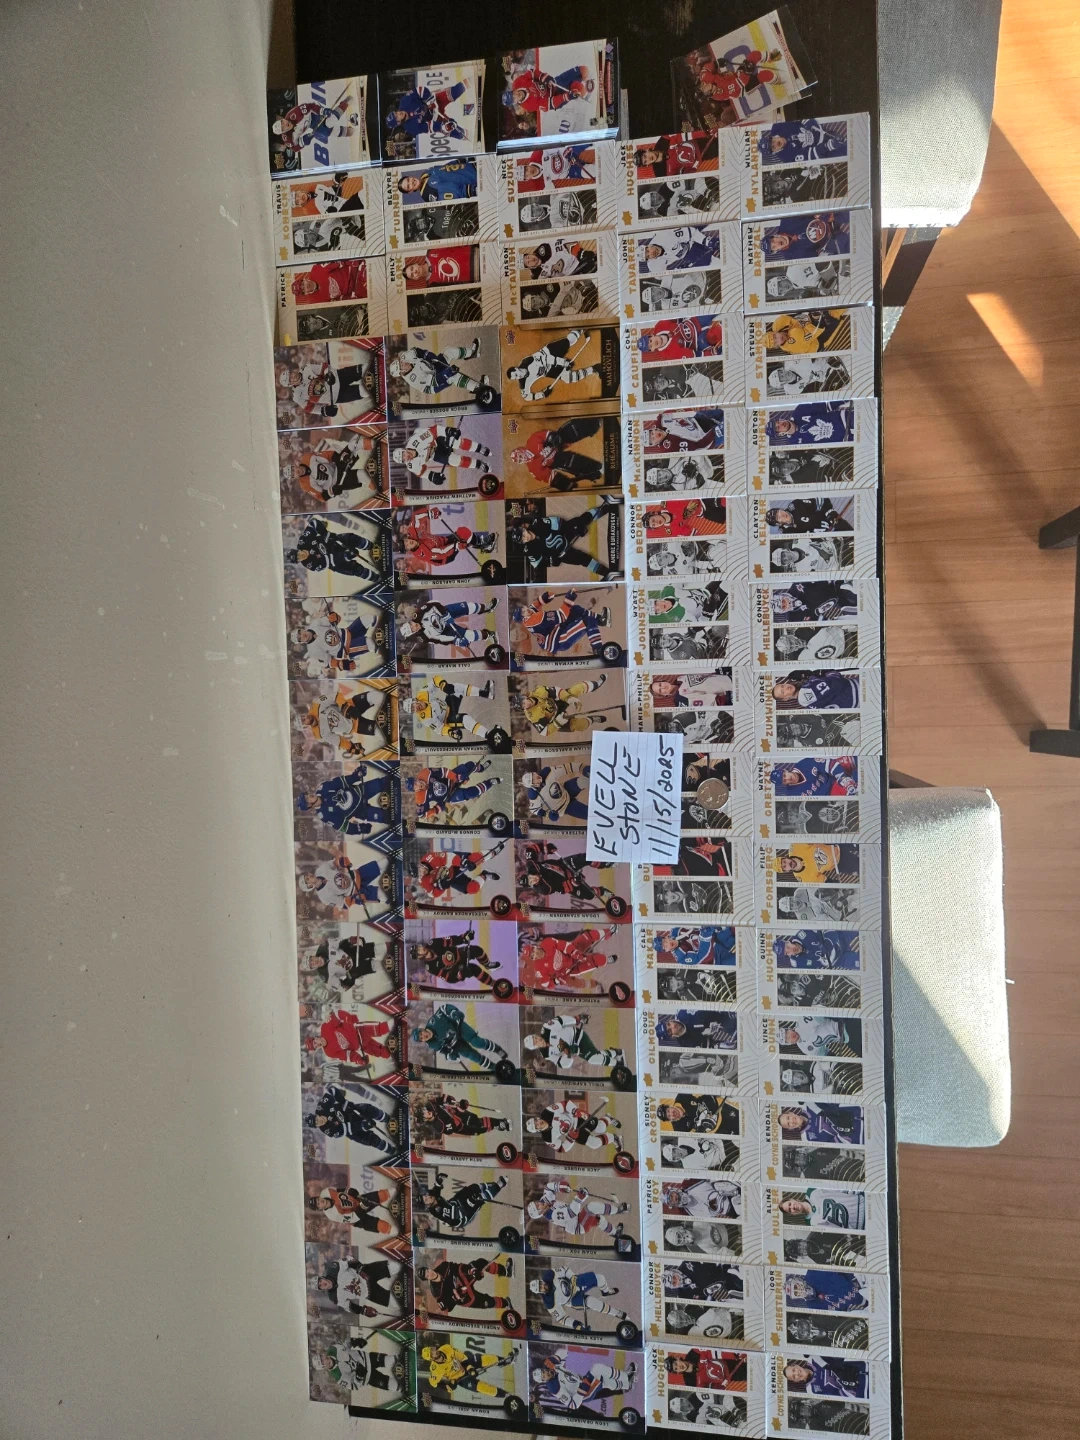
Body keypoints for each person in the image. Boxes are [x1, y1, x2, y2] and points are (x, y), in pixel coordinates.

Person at [511, 497, 618, 580]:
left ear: (524, 529)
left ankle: (605, 508)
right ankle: (607, 573)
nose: (526, 538)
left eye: (523, 535)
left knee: (581, 520)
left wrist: (576, 528)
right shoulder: (530, 550)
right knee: (583, 559)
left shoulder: (538, 523)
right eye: (523, 540)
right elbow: (539, 565)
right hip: (562, 553)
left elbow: (558, 522)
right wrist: (552, 560)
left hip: (563, 532)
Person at [510, 417, 607, 491]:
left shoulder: (532, 441)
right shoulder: (533, 468)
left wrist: (553, 441)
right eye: (520, 461)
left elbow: (548, 434)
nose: (522, 459)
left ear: (521, 450)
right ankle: (597, 469)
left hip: (556, 443)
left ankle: (594, 423)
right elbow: (549, 477)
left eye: (520, 456)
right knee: (567, 462)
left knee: (564, 433)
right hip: (557, 459)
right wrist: (562, 483)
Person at [506, 329, 601, 403]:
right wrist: (542, 394)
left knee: (568, 342)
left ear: (516, 368)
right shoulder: (523, 383)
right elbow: (526, 397)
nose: (519, 377)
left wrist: (564, 363)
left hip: (549, 352)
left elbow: (547, 359)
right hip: (549, 370)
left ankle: (581, 328)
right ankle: (594, 369)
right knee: (569, 378)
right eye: (516, 378)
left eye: (516, 374)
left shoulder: (527, 361)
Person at [297, 765, 394, 836]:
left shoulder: (323, 788)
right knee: (388, 817)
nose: (309, 795)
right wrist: (359, 829)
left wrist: (356, 775)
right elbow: (343, 826)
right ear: (309, 806)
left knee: (387, 782)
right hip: (361, 811)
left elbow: (341, 782)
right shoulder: (324, 815)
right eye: (307, 799)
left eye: (306, 795)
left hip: (361, 791)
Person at [411, 1001, 509, 1071]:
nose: (423, 1037)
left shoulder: (434, 1021)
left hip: (458, 1028)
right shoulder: (431, 1044)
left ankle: (497, 1049)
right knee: (473, 1056)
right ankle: (493, 1067)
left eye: (421, 1034)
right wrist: (450, 1055)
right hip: (455, 1044)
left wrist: (454, 1013)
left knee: (477, 1043)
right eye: (421, 1039)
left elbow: (444, 1008)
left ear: (422, 1030)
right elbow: (443, 1050)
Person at [522, 925, 619, 992]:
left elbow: (563, 945)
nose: (535, 954)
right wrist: (557, 980)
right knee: (594, 961)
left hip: (572, 950)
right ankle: (606, 960)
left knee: (588, 936)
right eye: (532, 956)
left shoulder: (547, 943)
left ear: (535, 947)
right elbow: (546, 984)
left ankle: (610, 932)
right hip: (572, 968)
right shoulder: (539, 968)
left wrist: (575, 953)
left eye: (533, 950)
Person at [517, 588, 610, 659]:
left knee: (575, 610)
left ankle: (601, 620)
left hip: (556, 631)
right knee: (588, 621)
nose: (525, 609)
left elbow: (534, 606)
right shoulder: (537, 619)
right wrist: (569, 598)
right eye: (523, 611)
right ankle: (598, 651)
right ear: (524, 618)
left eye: (523, 609)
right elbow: (561, 615)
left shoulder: (527, 618)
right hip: (560, 640)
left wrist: (544, 598)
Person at [527, 1177, 629, 1239]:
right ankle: (619, 1210)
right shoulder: (553, 1215)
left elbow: (548, 1188)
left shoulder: (544, 1201)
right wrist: (579, 1198)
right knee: (591, 1207)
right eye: (537, 1206)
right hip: (578, 1225)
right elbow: (572, 1212)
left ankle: (616, 1233)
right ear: (540, 1212)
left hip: (577, 1219)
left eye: (536, 1203)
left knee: (599, 1219)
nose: (539, 1203)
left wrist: (561, 1186)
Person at [388, 337, 488, 400]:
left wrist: (429, 356)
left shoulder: (404, 357)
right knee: (453, 377)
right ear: (402, 372)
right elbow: (435, 381)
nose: (403, 362)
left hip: (431, 366)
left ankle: (473, 353)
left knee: (448, 352)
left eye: (400, 362)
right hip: (433, 385)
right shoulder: (414, 379)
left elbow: (416, 351)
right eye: (401, 366)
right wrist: (447, 373)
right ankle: (479, 388)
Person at [393, 422, 493, 484]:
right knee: (454, 461)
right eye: (403, 459)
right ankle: (479, 464)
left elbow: (435, 430)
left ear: (404, 449)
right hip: (433, 454)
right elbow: (422, 473)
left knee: (455, 442)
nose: (406, 457)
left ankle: (479, 448)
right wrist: (432, 477)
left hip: (436, 440)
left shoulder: (417, 439)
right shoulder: (411, 465)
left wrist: (448, 431)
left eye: (404, 454)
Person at [529, 1265, 628, 1328]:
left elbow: (565, 1269)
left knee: (600, 1278)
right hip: (572, 1299)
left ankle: (606, 1292)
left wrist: (572, 1277)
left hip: (575, 1282)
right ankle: (616, 1313)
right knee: (593, 1302)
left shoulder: (549, 1275)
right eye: (540, 1288)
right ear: (540, 1292)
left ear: (541, 1281)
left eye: (541, 1284)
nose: (543, 1287)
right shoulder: (549, 1302)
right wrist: (575, 1324)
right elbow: (562, 1318)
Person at [304, 1083, 398, 1149]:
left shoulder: (322, 1107)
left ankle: (390, 1121)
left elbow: (332, 1090)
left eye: (316, 1119)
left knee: (369, 1109)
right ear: (317, 1126)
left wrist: (343, 1102)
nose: (319, 1122)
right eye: (317, 1124)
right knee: (371, 1140)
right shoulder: (326, 1130)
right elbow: (344, 1129)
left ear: (316, 1115)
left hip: (350, 1111)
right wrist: (362, 1125)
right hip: (351, 1129)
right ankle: (392, 1150)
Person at [523, 1012, 625, 1072]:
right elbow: (560, 1063)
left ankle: (618, 1064)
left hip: (578, 1037)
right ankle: (616, 1052)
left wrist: (577, 1019)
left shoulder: (546, 1028)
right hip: (574, 1048)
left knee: (592, 1058)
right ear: (535, 1047)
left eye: (535, 1037)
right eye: (535, 1042)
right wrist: (568, 1055)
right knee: (595, 1054)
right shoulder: (546, 1054)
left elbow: (561, 1020)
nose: (537, 1039)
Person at [417, 1254, 515, 1314]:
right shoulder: (436, 1292)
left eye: (428, 1271)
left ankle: (506, 1271)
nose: (430, 1273)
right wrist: (454, 1298)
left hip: (464, 1279)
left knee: (480, 1263)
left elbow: (458, 1267)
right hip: (466, 1297)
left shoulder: (443, 1266)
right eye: (427, 1275)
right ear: (426, 1279)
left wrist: (471, 1271)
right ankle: (506, 1303)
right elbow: (446, 1307)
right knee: (486, 1301)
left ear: (429, 1268)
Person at [413, 760, 502, 825]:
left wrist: (457, 777)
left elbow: (444, 772)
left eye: (416, 783)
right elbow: (422, 815)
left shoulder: (424, 773)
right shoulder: (420, 798)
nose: (418, 785)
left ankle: (481, 768)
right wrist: (436, 809)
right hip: (450, 795)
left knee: (467, 767)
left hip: (450, 779)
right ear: (415, 790)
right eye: (415, 787)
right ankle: (489, 783)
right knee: (470, 793)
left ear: (416, 779)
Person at [423, 1341, 519, 1402]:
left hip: (465, 1364)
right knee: (482, 1387)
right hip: (461, 1378)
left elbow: (462, 1358)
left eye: (432, 1349)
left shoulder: (446, 1348)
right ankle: (506, 1395)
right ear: (432, 1358)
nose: (434, 1351)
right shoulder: (435, 1369)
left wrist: (469, 1368)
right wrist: (448, 1387)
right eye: (432, 1353)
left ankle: (507, 1360)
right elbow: (433, 1383)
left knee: (483, 1359)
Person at [412, 674, 495, 744]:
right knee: (465, 719)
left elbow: (435, 680)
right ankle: (489, 735)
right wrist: (450, 733)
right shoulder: (425, 718)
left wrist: (443, 685)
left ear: (414, 700)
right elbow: (440, 729)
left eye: (413, 706)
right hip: (447, 720)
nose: (415, 709)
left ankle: (486, 693)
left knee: (454, 688)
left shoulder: (421, 694)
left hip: (447, 706)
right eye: (413, 710)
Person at [386, 79, 471, 142]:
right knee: (452, 130)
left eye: (396, 113)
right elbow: (429, 127)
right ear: (398, 123)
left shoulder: (405, 101)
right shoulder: (410, 128)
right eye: (397, 117)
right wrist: (443, 127)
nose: (398, 113)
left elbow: (419, 90)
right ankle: (470, 135)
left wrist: (428, 99)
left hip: (434, 102)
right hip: (434, 118)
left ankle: (471, 81)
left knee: (454, 91)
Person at [418, 1170, 508, 1230]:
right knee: (479, 1198)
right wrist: (471, 1202)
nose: (428, 1196)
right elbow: (459, 1213)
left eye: (425, 1195)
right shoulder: (438, 1211)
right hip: (463, 1217)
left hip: (455, 1203)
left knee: (472, 1188)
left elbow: (436, 1191)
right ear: (427, 1206)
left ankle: (493, 1186)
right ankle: (499, 1186)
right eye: (426, 1200)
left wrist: (438, 1182)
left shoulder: (433, 1199)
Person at [305, 1008, 394, 1067]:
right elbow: (348, 1055)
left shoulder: (325, 1028)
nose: (317, 1045)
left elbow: (337, 1014)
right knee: (385, 1053)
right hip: (362, 1045)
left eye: (315, 1043)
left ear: (315, 1038)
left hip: (359, 1030)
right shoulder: (329, 1052)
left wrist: (349, 1018)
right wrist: (359, 1060)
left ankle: (396, 1022)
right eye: (316, 1047)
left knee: (383, 1028)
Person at [411, 929, 498, 987]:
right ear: (419, 957)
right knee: (474, 969)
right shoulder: (430, 967)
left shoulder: (432, 943)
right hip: (457, 968)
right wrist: (459, 976)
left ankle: (487, 964)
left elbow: (450, 940)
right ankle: (492, 983)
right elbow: (448, 978)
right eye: (419, 950)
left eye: (419, 947)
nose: (421, 948)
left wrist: (464, 938)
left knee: (476, 950)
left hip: (459, 953)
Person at [307, 1184, 394, 1235]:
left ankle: (391, 1194)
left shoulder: (325, 1192)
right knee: (380, 1226)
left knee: (379, 1195)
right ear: (319, 1209)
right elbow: (353, 1217)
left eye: (318, 1200)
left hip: (355, 1201)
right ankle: (391, 1230)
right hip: (356, 1219)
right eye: (318, 1204)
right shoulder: (332, 1215)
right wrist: (362, 1207)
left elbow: (340, 1190)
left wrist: (349, 1190)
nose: (320, 1201)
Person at [778, 1189, 866, 1231]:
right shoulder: (811, 1223)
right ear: (792, 1214)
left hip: (861, 1202)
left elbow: (837, 1189)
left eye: (790, 1204)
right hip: (861, 1225)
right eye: (790, 1210)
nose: (792, 1207)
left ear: (792, 1199)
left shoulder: (811, 1191)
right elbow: (835, 1229)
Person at [784, 1269, 868, 1311]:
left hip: (864, 1282)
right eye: (796, 1293)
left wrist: (855, 1278)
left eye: (796, 1287)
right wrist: (851, 1313)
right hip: (865, 1308)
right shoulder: (812, 1307)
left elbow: (839, 1267)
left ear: (797, 1280)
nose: (799, 1291)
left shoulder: (813, 1273)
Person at [657, 1094, 740, 1135]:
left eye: (669, 1111)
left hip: (722, 1108)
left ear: (670, 1106)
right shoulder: (679, 1129)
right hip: (719, 1131)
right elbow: (697, 1137)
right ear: (670, 1120)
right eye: (669, 1116)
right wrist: (701, 1128)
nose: (672, 1113)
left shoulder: (682, 1096)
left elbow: (704, 1090)